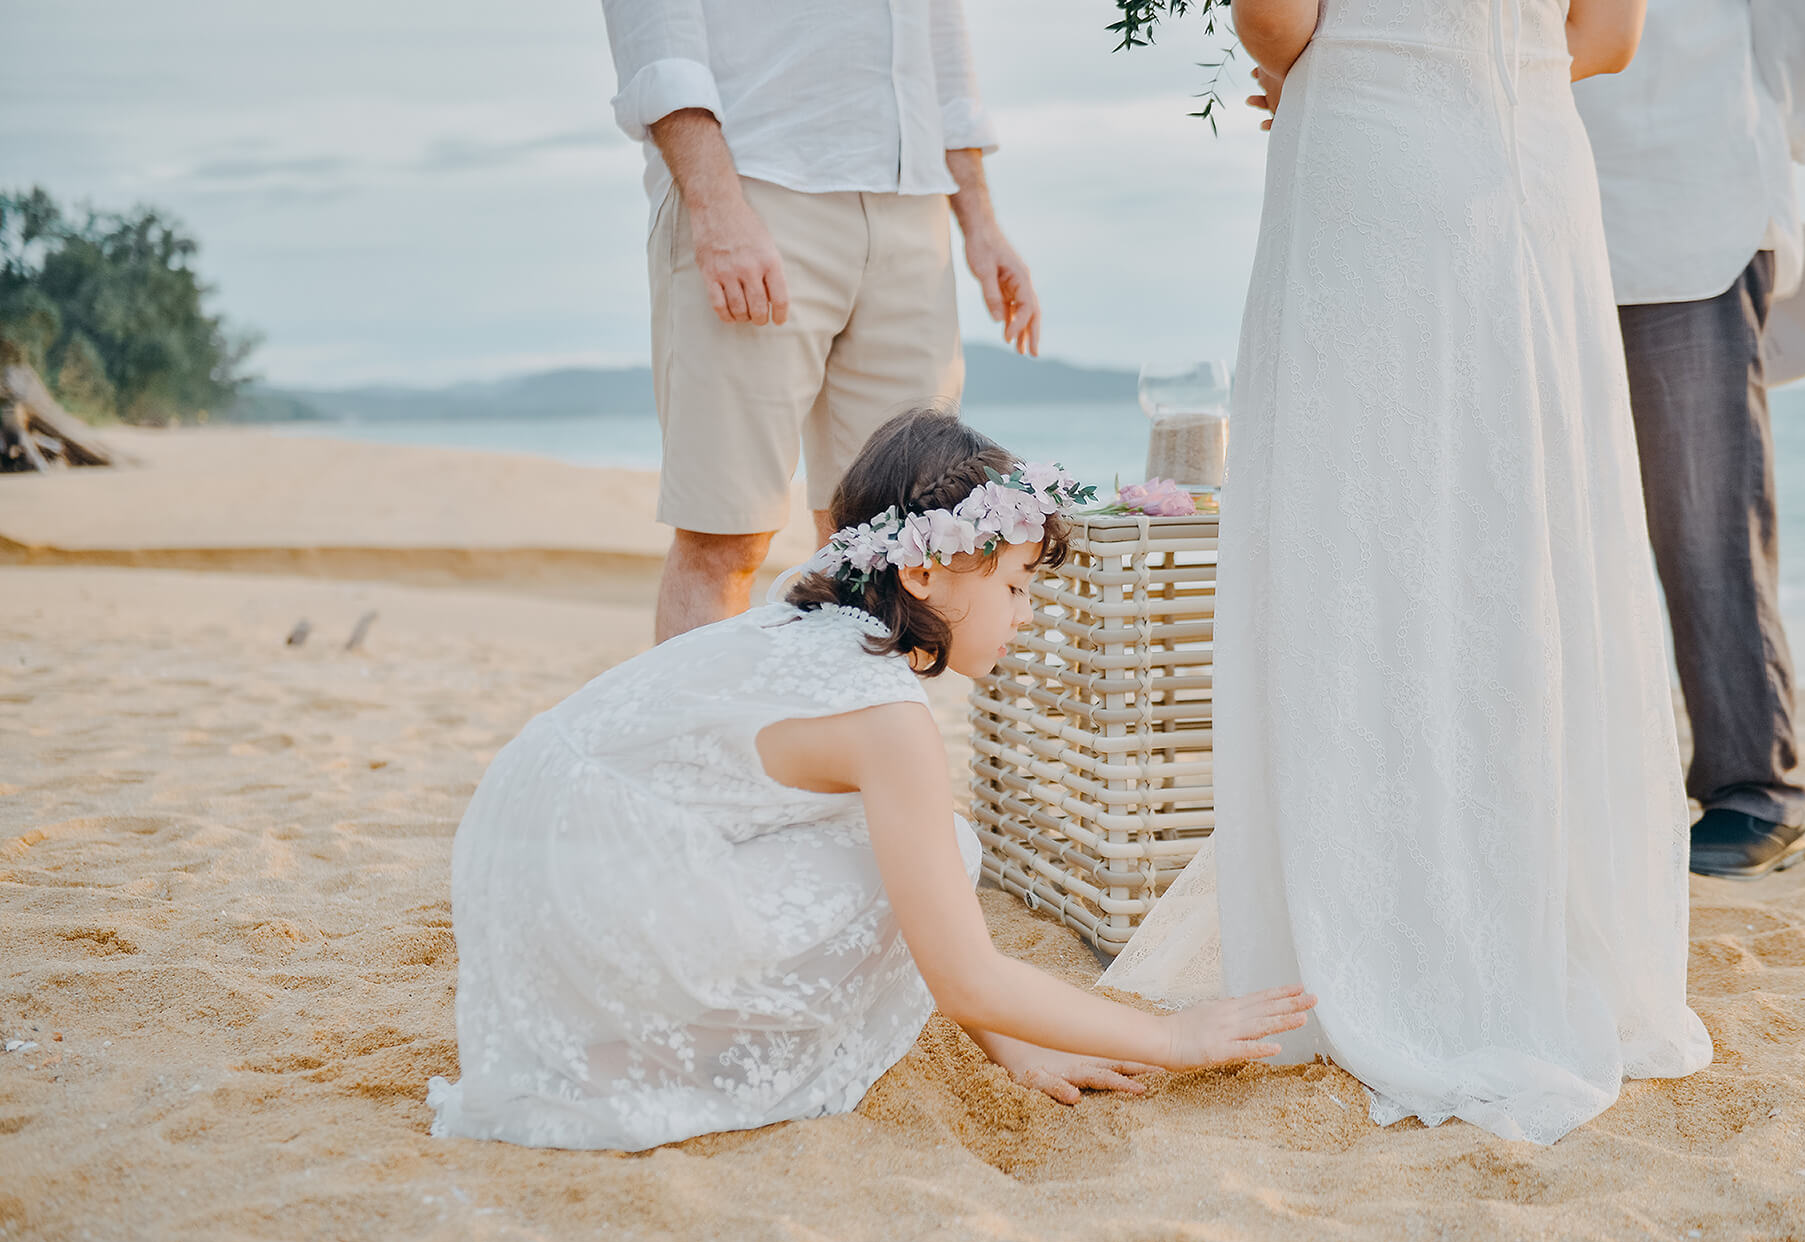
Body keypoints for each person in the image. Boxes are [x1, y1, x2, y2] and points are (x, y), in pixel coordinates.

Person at [1103, 0, 1714, 1144]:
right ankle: (1536, 929)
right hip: (1530, 161)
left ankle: (1388, 929)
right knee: (1519, 532)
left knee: (1371, 542)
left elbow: (1273, 16)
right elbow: (1612, 37)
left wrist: (1318, 66)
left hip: (1376, 154)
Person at [427, 410, 1313, 1150]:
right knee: (940, 846)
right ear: (923, 569)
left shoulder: (814, 611)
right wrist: (1172, 1035)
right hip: (583, 897)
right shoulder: (889, 725)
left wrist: (1014, 1043)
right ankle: (647, 1040)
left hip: (542, 862)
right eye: (1013, 585)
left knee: (920, 847)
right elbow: (965, 974)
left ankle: (632, 1025)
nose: (1026, 614)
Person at [599, 0, 1044, 644]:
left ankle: (856, 745)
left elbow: (941, 36)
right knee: (726, 535)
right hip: (756, 178)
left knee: (895, 547)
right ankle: (701, 744)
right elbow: (656, 23)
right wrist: (716, 203)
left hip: (914, 202)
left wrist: (980, 222)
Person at [1572, 0, 1805, 880]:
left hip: (1689, 188)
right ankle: (1586, 779)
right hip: (1532, 195)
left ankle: (1753, 789)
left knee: (1702, 519)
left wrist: (1771, 134)